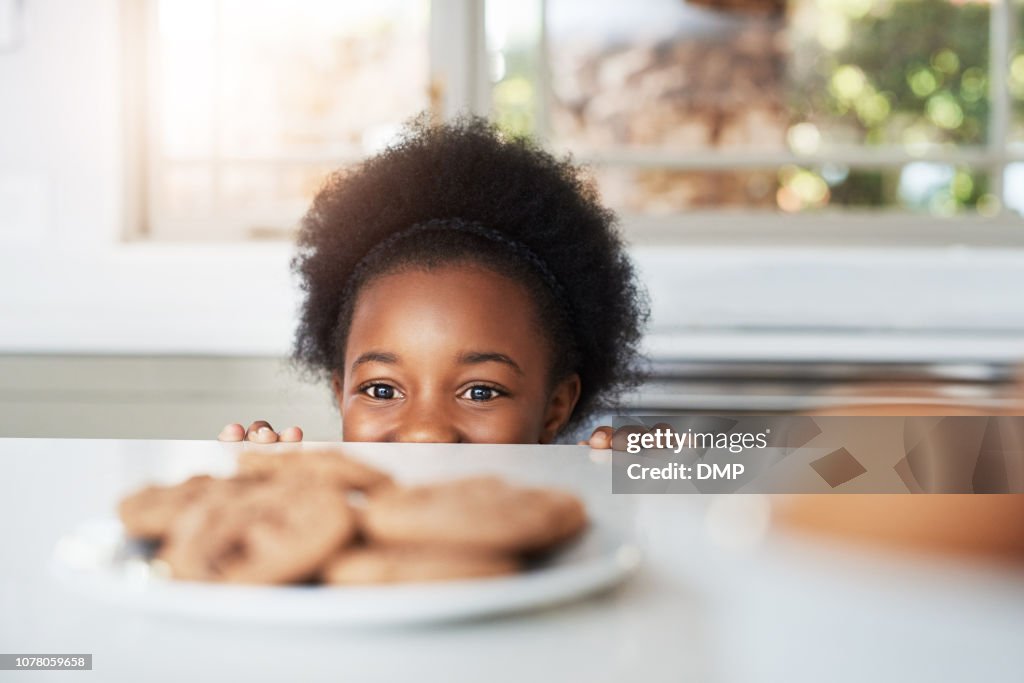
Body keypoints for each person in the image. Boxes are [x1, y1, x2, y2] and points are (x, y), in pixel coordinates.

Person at [219, 115, 647, 447]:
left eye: (481, 392)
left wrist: (671, 483)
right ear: (340, 394)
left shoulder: (586, 522)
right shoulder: (317, 517)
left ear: (555, 408)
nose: (425, 433)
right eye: (381, 390)